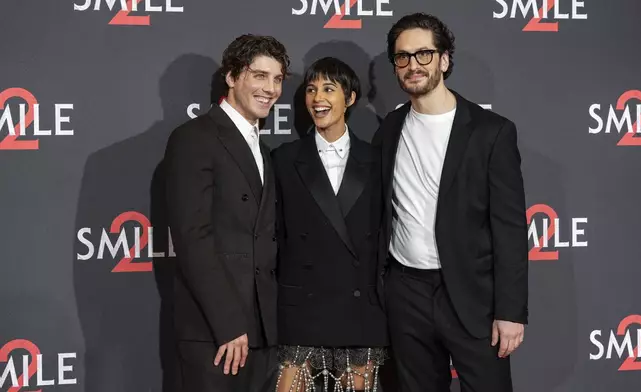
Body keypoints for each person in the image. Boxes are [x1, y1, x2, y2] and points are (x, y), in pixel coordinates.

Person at [372, 12, 529, 392]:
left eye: (424, 54)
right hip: (405, 292)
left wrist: (510, 312)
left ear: (444, 60)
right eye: (403, 57)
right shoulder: (390, 129)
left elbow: (509, 227)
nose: (413, 65)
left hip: (471, 296)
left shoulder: (492, 132)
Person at [164, 34, 290, 391]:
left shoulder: (262, 149)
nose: (271, 88)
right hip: (217, 335)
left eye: (278, 79)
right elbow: (193, 238)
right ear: (232, 77)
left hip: (263, 333)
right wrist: (229, 324)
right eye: (260, 76)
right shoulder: (194, 138)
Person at [271, 57, 388, 392]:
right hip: (302, 306)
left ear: (349, 98)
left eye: (328, 88)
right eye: (311, 89)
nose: (317, 98)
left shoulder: (377, 159)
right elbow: (275, 235)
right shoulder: (284, 159)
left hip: (359, 309)